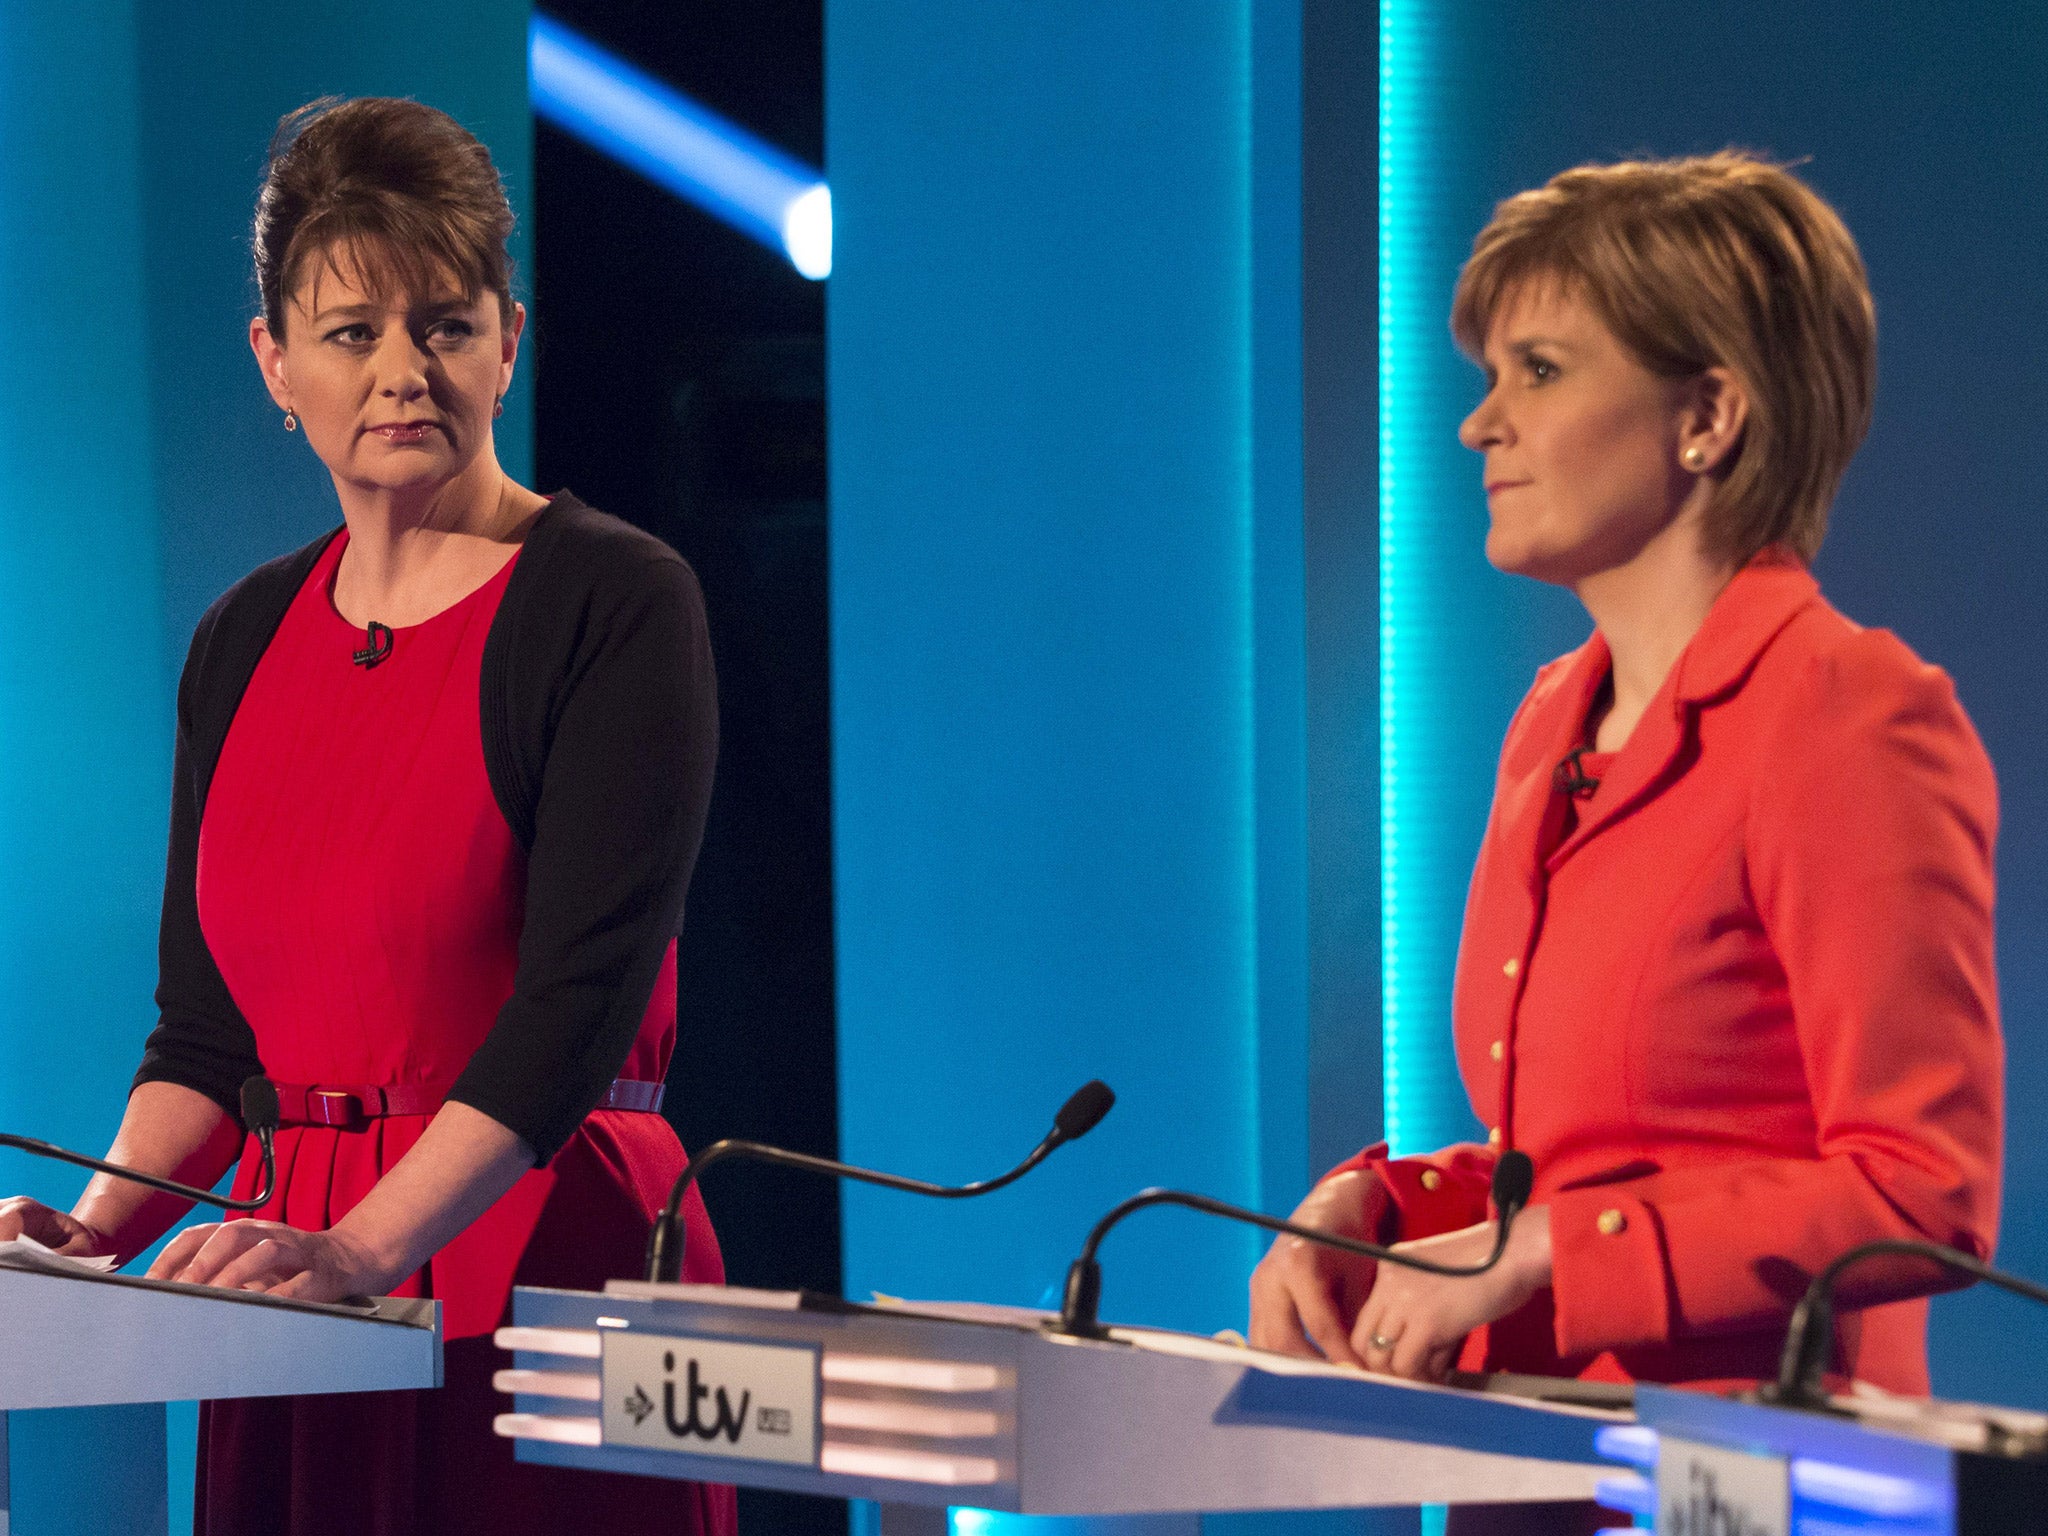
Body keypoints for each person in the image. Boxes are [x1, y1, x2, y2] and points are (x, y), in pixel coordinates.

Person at [0, 98, 736, 1536]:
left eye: (446, 326)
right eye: (352, 333)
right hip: (283, 1286)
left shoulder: (615, 600)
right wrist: (89, 1241)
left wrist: (360, 1248)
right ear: (275, 360)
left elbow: (572, 1012)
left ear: (507, 341)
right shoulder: (242, 636)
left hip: (538, 1256)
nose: (405, 371)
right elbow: (208, 1039)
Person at [1249, 153, 2000, 1529]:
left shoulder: (1849, 713)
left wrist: (1543, 1252)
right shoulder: (1552, 716)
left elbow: (1922, 1191)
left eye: (1536, 371)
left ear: (1708, 414)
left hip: (1757, 1477)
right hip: (1528, 1464)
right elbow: (1591, 1167)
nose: (1480, 427)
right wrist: (1392, 1210)